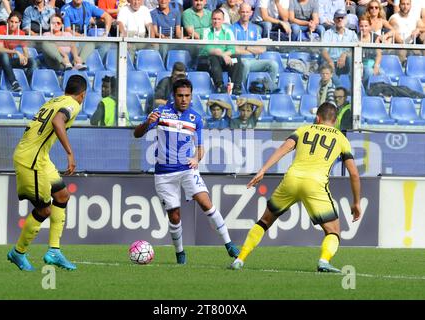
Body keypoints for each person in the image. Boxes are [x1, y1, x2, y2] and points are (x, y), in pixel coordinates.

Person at [229, 102, 361, 272]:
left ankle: (240, 259)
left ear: (317, 118)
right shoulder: (341, 138)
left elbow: (284, 148)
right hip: (315, 184)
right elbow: (354, 174)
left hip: (291, 179)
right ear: (335, 121)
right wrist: (356, 202)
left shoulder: (304, 129)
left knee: (264, 221)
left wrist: (262, 170)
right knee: (333, 230)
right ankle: (323, 261)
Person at [133, 78, 240, 264]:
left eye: (187, 96)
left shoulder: (196, 119)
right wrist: (146, 123)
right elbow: (137, 134)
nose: (184, 99)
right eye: (180, 95)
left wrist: (196, 159)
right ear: (173, 96)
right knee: (174, 216)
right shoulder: (160, 113)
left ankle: (229, 244)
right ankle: (180, 253)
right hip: (164, 174)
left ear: (191, 96)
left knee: (206, 203)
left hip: (187, 169)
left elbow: (200, 148)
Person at [7, 75, 88, 271]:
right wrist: (70, 153)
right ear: (82, 95)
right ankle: (18, 252)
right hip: (31, 160)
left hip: (40, 157)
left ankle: (54, 251)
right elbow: (58, 121)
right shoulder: (73, 104)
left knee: (62, 195)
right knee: (44, 210)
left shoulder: (54, 100)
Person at [197, 9, 244, 95]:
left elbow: (232, 48)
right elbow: (208, 49)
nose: (216, 21)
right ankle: (220, 85)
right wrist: (223, 55)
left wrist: (224, 55)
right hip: (208, 60)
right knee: (213, 58)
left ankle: (236, 86)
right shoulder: (206, 31)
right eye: (214, 19)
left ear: (223, 20)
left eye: (219, 19)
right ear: (211, 19)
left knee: (236, 59)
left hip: (224, 60)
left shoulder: (228, 31)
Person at [0, 11, 38, 92]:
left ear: (19, 23)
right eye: (11, 21)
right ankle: (14, 83)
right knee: (4, 55)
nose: (13, 24)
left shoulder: (21, 33)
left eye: (16, 22)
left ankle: (26, 84)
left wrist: (25, 58)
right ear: (8, 21)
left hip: (7, 61)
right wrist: (16, 52)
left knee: (32, 61)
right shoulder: (0, 29)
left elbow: (25, 51)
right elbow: (0, 49)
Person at [321, 9, 358, 86]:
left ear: (346, 20)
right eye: (338, 18)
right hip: (332, 61)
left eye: (342, 18)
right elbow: (323, 50)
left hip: (346, 63)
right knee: (326, 65)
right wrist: (330, 61)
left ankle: (354, 86)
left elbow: (356, 50)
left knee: (352, 59)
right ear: (334, 20)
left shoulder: (352, 34)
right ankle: (340, 88)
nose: (340, 19)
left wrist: (344, 54)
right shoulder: (328, 33)